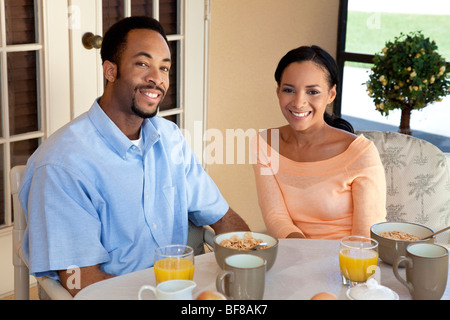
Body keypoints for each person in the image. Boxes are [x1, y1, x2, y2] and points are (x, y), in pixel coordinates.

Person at [19, 16, 249, 297]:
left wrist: (253, 262)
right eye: (143, 64)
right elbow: (81, 280)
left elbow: (223, 217)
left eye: (164, 67)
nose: (157, 78)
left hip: (177, 290)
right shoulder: (62, 164)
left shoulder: (170, 138)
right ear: (110, 71)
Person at [252, 45, 386, 240]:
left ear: (331, 94)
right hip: (294, 255)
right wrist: (303, 260)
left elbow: (365, 237)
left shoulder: (361, 153)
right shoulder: (263, 144)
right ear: (278, 92)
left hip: (350, 261)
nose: (298, 102)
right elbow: (276, 216)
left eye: (312, 92)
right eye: (289, 90)